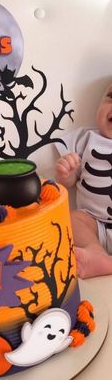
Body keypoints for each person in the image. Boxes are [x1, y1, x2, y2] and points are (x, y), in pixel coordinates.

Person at [55, 83, 112, 279]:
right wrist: (66, 172)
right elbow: (68, 183)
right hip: (93, 224)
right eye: (111, 95)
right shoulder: (86, 138)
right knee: (72, 218)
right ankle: (96, 253)